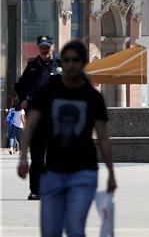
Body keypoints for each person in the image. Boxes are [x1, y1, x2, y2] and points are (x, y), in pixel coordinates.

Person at [17, 40, 116, 237]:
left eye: (76, 60)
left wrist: (111, 173)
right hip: (53, 173)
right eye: (67, 60)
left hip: (84, 172)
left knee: (74, 228)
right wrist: (22, 157)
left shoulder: (92, 97)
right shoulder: (49, 92)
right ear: (62, 61)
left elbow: (103, 137)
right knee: (50, 231)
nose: (71, 64)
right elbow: (31, 124)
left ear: (83, 63)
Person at [15, 34, 62, 200]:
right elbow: (19, 86)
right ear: (38, 48)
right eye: (41, 47)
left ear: (52, 47)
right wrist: (22, 101)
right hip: (36, 119)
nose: (44, 50)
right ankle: (35, 190)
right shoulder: (32, 66)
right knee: (37, 157)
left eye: (47, 47)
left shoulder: (60, 65)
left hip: (56, 119)